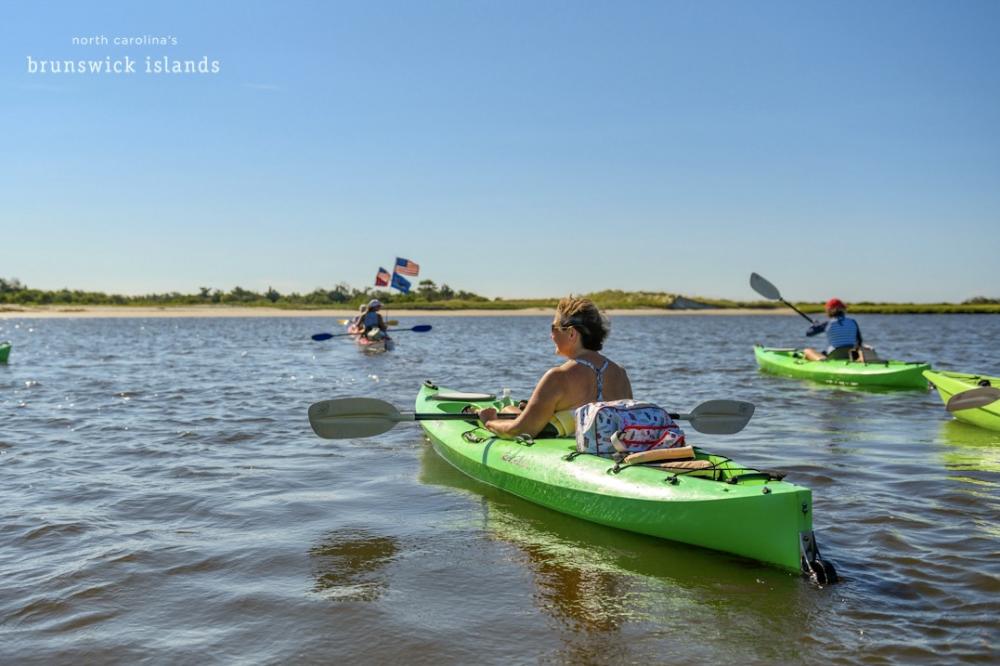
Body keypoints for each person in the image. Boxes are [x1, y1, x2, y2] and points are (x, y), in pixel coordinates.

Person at [476, 297, 632, 438]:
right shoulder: (620, 373)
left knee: (509, 411)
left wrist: (490, 421)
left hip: (571, 457)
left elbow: (521, 431)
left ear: (571, 333)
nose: (551, 335)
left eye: (553, 328)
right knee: (510, 409)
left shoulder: (558, 377)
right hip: (611, 452)